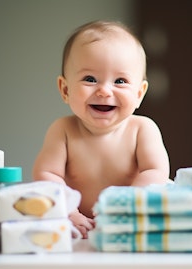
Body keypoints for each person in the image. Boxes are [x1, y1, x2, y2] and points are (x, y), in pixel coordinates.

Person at [32, 20, 170, 239]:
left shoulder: (142, 129)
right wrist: (68, 211)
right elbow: (47, 175)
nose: (105, 91)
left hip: (128, 225)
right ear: (65, 89)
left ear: (139, 93)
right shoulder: (63, 130)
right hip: (79, 228)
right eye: (90, 79)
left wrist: (123, 207)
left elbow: (156, 173)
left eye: (120, 81)